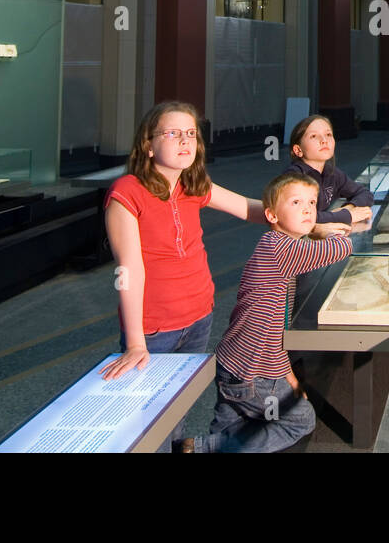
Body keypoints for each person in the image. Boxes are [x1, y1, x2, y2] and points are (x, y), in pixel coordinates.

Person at [101, 100, 269, 453]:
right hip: (153, 330)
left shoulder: (193, 186)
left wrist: (311, 220)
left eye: (191, 134)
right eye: (173, 133)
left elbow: (250, 210)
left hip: (198, 319)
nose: (185, 141)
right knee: (147, 424)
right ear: (148, 143)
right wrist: (135, 343)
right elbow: (129, 270)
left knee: (177, 411)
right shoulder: (127, 193)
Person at [206, 171, 353, 452]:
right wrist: (323, 229)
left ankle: (197, 446)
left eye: (312, 202)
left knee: (230, 426)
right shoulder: (282, 248)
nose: (308, 209)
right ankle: (204, 448)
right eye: (296, 203)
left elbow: (270, 329)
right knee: (301, 420)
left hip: (231, 362)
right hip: (251, 373)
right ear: (272, 215)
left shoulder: (272, 246)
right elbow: (340, 248)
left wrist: (288, 375)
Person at [285, 114, 373, 228]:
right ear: (298, 150)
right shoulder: (295, 177)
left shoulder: (331, 173)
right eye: (313, 136)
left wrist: (349, 207)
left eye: (328, 134)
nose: (324, 140)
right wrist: (346, 215)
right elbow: (303, 217)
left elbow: (365, 193)